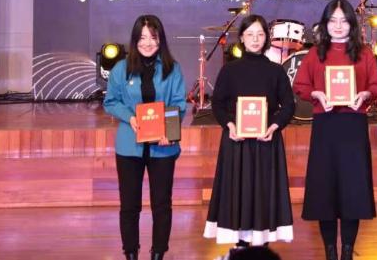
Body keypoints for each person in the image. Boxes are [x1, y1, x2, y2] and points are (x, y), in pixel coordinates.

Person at [292, 0, 377, 260]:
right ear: (325, 24)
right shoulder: (315, 53)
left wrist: (365, 94)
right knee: (326, 189)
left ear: (352, 24)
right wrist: (317, 95)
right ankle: (330, 251)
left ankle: (347, 251)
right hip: (326, 127)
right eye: (333, 20)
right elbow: (300, 86)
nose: (339, 26)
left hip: (353, 126)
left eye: (344, 20)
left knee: (353, 188)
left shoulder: (364, 53)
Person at [205, 14, 296, 255]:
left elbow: (288, 105)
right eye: (250, 34)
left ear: (266, 38)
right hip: (237, 142)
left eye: (260, 34)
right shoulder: (229, 71)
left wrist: (274, 126)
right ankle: (240, 246)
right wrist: (230, 125)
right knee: (239, 192)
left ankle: (261, 246)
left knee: (263, 192)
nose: (255, 39)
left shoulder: (276, 71)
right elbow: (218, 104)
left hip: (266, 142)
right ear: (242, 38)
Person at [103, 14, 187, 260]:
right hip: (129, 146)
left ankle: (158, 253)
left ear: (160, 40)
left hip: (163, 147)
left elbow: (179, 104)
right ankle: (130, 252)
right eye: (142, 38)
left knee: (162, 205)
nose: (148, 43)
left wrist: (169, 133)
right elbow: (111, 102)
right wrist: (130, 117)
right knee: (130, 205)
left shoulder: (173, 69)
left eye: (153, 37)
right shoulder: (121, 69)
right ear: (134, 40)